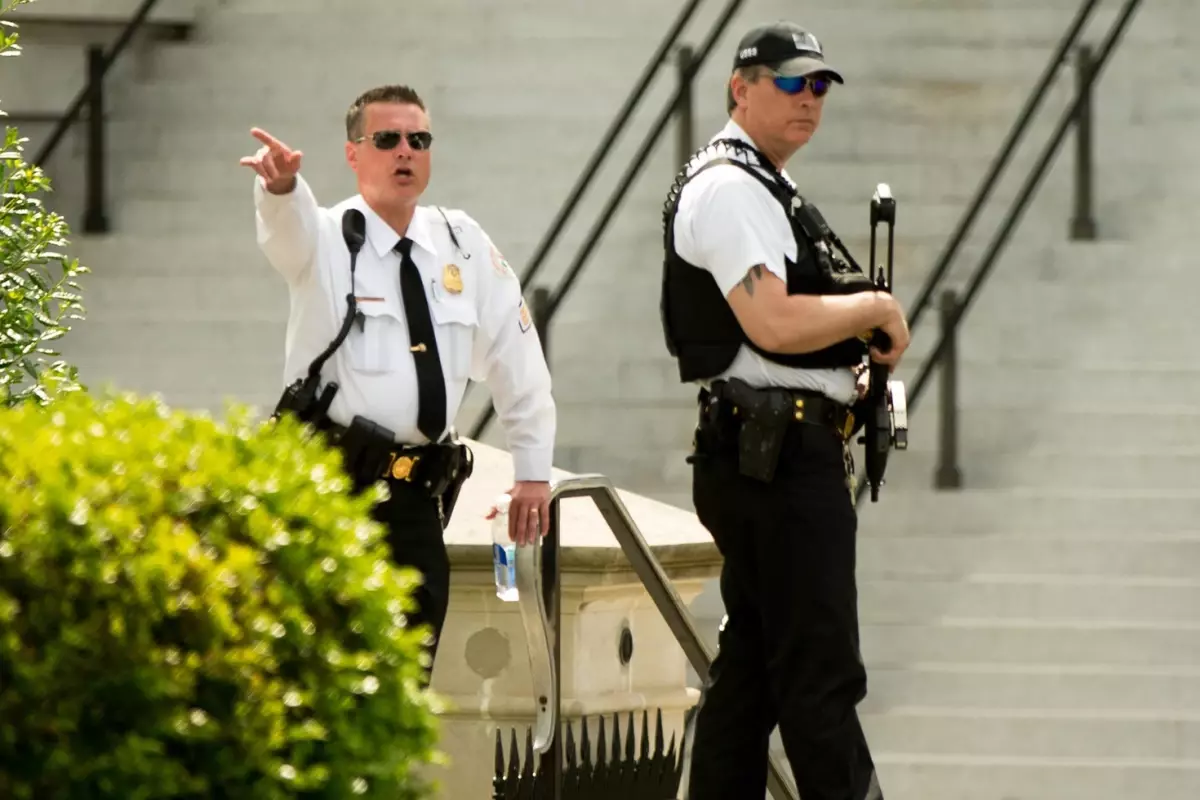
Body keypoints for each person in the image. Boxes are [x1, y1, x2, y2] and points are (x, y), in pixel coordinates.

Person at [660, 21, 909, 800]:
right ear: (741, 87)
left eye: (820, 86)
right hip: (774, 457)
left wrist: (853, 364)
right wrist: (874, 307)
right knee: (821, 674)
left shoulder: (762, 181)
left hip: (772, 450)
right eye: (792, 83)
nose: (811, 100)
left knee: (754, 680)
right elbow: (770, 322)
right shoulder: (731, 187)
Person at [240, 84, 556, 674]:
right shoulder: (329, 236)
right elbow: (287, 231)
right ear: (354, 154)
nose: (405, 151)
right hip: (334, 495)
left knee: (409, 680)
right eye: (386, 139)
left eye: (419, 139)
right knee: (325, 679)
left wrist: (533, 471)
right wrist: (279, 188)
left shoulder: (460, 241)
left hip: (415, 499)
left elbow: (517, 359)